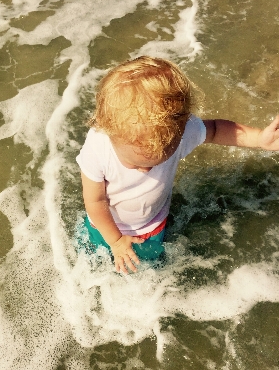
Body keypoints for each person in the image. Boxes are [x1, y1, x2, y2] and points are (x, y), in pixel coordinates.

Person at [76, 56, 279, 275]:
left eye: (157, 162)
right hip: (104, 224)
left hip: (151, 225)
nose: (145, 171)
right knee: (87, 260)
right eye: (136, 164)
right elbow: (95, 201)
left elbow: (217, 130)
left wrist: (259, 139)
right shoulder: (99, 146)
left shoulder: (177, 132)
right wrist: (115, 241)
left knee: (146, 273)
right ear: (110, 131)